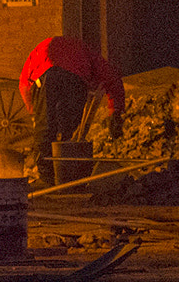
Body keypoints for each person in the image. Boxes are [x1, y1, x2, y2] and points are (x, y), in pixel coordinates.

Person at [18, 36, 124, 180]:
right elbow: (113, 80)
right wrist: (115, 112)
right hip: (74, 78)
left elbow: (24, 85)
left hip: (45, 74)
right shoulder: (90, 55)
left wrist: (33, 111)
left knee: (45, 126)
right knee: (70, 130)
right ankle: (68, 174)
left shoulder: (42, 50)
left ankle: (47, 175)